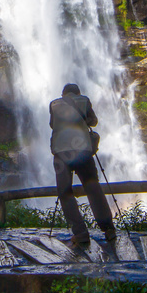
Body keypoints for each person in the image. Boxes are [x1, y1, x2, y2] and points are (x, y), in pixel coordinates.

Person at [48, 83, 116, 245]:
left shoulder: (54, 104)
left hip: (61, 153)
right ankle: (108, 229)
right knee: (93, 188)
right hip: (82, 150)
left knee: (65, 193)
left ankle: (80, 233)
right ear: (78, 92)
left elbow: (52, 125)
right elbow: (93, 122)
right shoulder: (84, 100)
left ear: (63, 93)